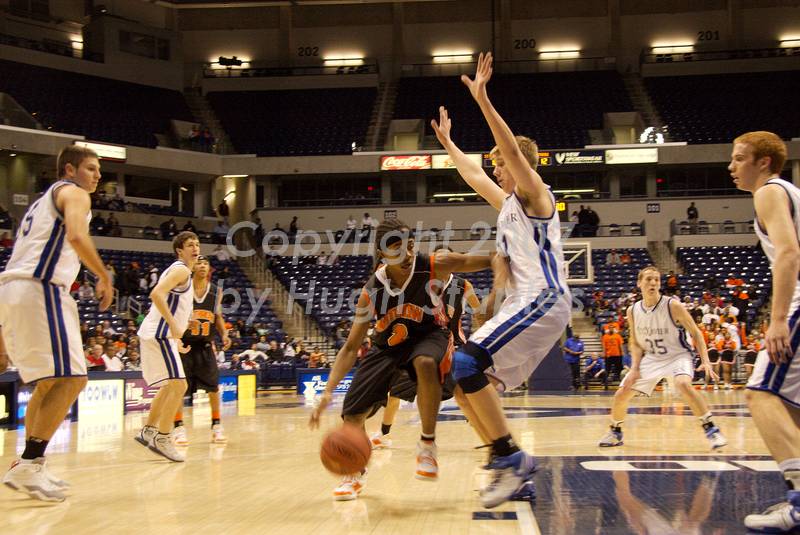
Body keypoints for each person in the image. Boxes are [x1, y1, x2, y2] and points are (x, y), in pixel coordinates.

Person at [430, 52, 571, 508]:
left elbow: (510, 150)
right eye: (494, 165)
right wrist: (449, 143)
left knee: (468, 364)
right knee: (460, 375)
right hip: (524, 304)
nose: (495, 169)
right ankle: (507, 465)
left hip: (543, 298)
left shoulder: (536, 194)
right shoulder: (508, 202)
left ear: (523, 166)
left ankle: (510, 459)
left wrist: (483, 101)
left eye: (502, 165)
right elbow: (472, 174)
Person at [309, 219, 492, 501]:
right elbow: (350, 347)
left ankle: (427, 446)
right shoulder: (372, 290)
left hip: (431, 335)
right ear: (382, 254)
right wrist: (328, 392)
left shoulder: (434, 264)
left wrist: (510, 257)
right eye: (396, 249)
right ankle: (353, 473)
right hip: (387, 348)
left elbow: (479, 260)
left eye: (408, 246)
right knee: (352, 415)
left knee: (426, 363)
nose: (406, 254)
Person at [0, 146, 113, 502]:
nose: (97, 176)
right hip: (41, 287)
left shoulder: (43, 200)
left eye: (98, 170)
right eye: (91, 168)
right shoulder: (74, 193)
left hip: (15, 287)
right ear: (70, 169)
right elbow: (77, 237)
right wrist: (103, 274)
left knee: (47, 384)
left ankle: (28, 464)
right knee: (75, 378)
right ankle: (31, 462)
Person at [730, 131, 800, 532]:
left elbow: (789, 252)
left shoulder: (769, 192)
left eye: (740, 159)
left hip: (798, 301)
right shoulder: (789, 190)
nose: (731, 166)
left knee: (759, 394)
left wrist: (776, 320)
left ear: (764, 163)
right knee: (790, 407)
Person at [598, 266, 727, 451]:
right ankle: (615, 431)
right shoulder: (632, 310)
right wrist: (635, 368)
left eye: (656, 280)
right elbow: (634, 341)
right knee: (621, 394)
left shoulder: (672, 305)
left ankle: (711, 429)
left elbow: (696, 333)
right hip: (651, 358)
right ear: (639, 283)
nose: (653, 283)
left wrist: (705, 360)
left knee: (683, 384)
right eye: (649, 279)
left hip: (677, 355)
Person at [368, 264, 482, 450]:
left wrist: (480, 335)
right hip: (424, 345)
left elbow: (479, 311)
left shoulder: (463, 285)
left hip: (453, 346)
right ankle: (383, 435)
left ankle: (488, 437)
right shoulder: (424, 283)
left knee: (464, 396)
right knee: (395, 393)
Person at [134, 231, 199, 463]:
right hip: (160, 334)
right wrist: (173, 327)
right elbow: (156, 294)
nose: (195, 248)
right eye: (190, 245)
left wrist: (178, 338)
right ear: (180, 250)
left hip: (162, 336)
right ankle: (163, 438)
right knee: (180, 385)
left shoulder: (182, 272)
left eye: (197, 244)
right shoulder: (180, 269)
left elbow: (173, 304)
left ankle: (148, 431)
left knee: (169, 386)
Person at [172, 255, 232, 447]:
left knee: (213, 387)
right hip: (185, 345)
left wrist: (224, 334)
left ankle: (216, 426)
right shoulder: (183, 288)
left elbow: (218, 316)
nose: (203, 266)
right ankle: (178, 427)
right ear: (192, 267)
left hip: (205, 345)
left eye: (206, 263)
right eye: (199, 262)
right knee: (179, 389)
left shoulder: (216, 292)